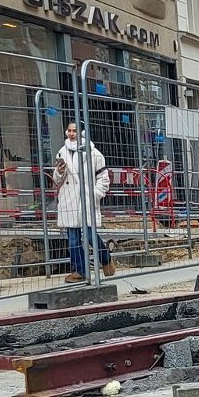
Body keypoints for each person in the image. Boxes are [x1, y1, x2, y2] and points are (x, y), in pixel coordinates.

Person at [53, 121, 114, 282]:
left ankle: (105, 258)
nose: (71, 133)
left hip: (86, 199)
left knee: (90, 234)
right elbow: (57, 178)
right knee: (73, 238)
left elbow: (103, 177)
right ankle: (79, 271)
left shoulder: (94, 154)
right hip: (69, 200)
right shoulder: (62, 152)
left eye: (74, 131)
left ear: (81, 133)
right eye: (69, 130)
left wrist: (95, 193)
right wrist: (59, 172)